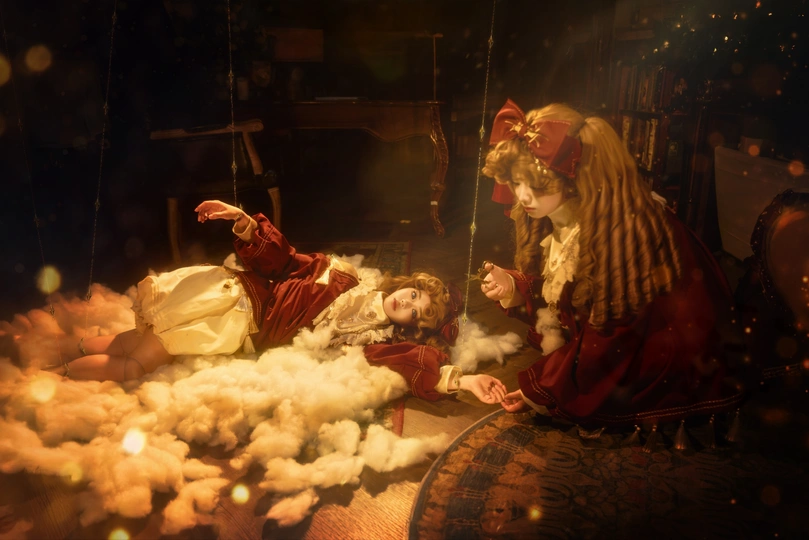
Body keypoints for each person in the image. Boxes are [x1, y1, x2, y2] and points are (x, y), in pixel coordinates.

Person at [46, 200, 507, 405]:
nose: (409, 304)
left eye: (417, 314)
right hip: (232, 293)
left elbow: (408, 362)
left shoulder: (372, 339)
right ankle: (56, 368)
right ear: (406, 284)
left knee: (136, 350)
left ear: (410, 326)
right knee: (135, 354)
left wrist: (462, 381)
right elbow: (284, 260)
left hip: (238, 328)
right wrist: (244, 221)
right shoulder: (339, 274)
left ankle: (58, 366)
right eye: (415, 294)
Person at [478, 99, 744, 429]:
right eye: (516, 182)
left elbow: (613, 335)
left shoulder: (625, 232)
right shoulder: (562, 211)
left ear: (574, 177)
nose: (523, 196)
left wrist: (543, 388)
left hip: (662, 341)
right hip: (613, 333)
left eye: (537, 185)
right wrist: (514, 287)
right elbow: (571, 296)